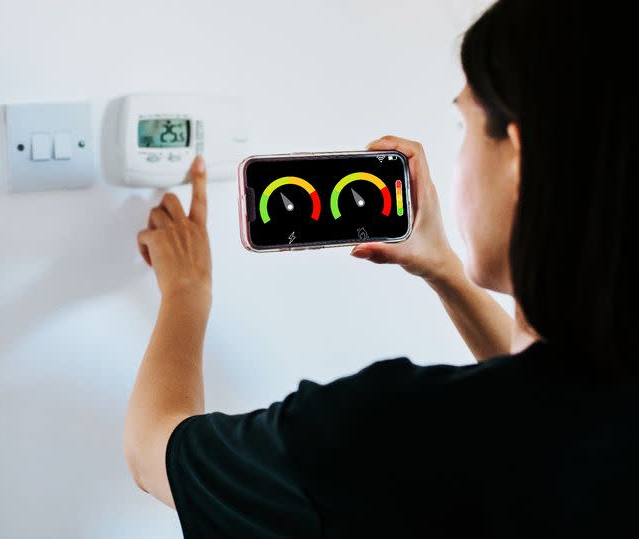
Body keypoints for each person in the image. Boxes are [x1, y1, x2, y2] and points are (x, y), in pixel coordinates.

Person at [124, 0, 637, 536]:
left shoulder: (393, 432)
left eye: (462, 126)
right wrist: (445, 271)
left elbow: (151, 449)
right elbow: (544, 404)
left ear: (517, 157)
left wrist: (185, 291)